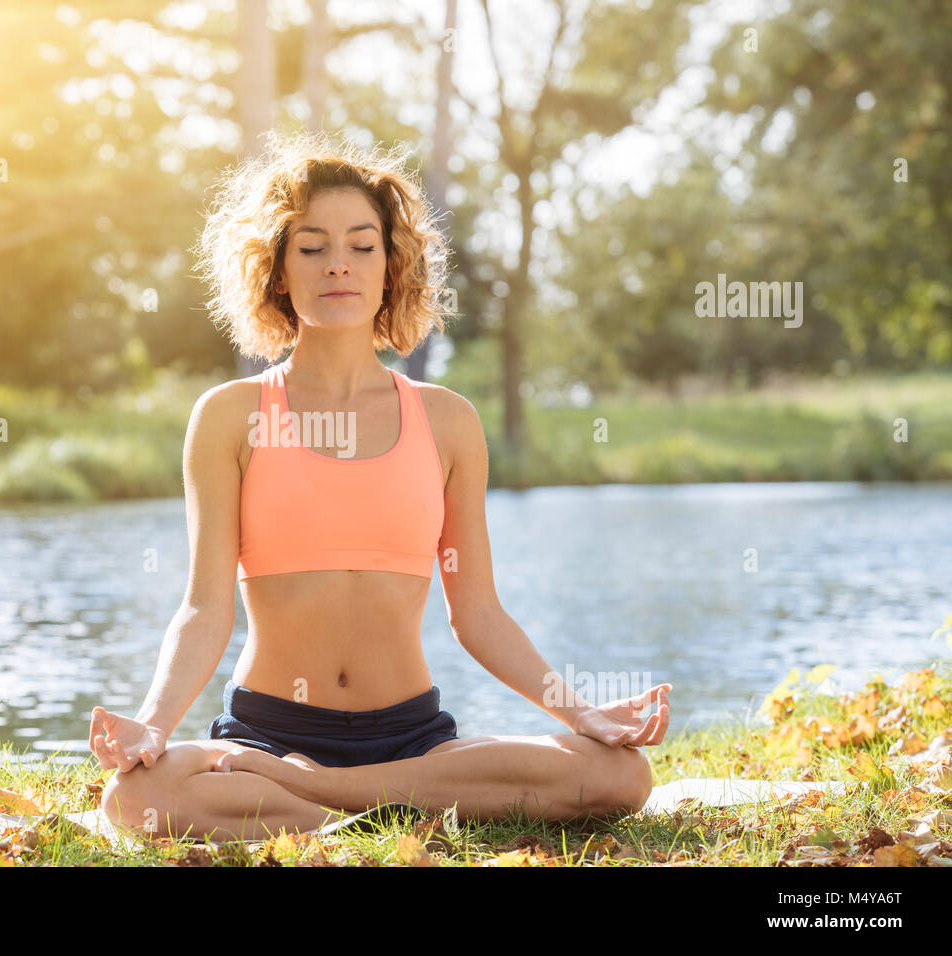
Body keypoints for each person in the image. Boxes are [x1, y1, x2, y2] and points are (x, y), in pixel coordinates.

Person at [91, 130, 670, 843]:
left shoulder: (447, 421)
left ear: (392, 267)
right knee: (132, 800)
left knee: (621, 775)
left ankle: (322, 797)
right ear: (277, 270)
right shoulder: (230, 417)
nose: (339, 264)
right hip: (268, 735)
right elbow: (205, 606)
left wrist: (581, 714)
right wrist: (154, 722)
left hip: (412, 738)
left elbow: (478, 613)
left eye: (363, 246)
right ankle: (392, 811)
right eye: (312, 247)